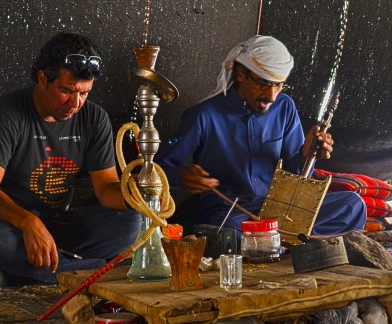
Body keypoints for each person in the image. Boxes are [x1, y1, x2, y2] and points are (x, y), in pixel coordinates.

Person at [0, 32, 141, 284]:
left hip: (55, 225)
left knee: (131, 223)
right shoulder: (6, 114)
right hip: (5, 224)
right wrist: (27, 221)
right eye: (67, 91)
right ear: (43, 78)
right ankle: (88, 272)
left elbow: (105, 189)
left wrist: (140, 194)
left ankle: (31, 271)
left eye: (84, 93)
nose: (75, 103)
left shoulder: (94, 118)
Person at [155, 35, 366, 236]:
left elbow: (297, 178)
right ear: (240, 74)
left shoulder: (284, 107)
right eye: (263, 83)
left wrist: (306, 154)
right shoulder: (202, 115)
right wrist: (182, 176)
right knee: (228, 230)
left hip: (279, 209)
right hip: (232, 213)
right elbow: (160, 167)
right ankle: (287, 243)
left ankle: (274, 243)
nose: (271, 95)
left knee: (352, 205)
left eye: (278, 84)